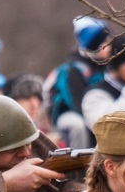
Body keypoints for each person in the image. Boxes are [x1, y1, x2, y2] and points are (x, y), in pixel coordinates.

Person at [47, 16, 113, 149]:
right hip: (69, 113)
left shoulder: (108, 65)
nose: (111, 47)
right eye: (106, 43)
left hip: (96, 110)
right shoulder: (74, 69)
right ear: (94, 46)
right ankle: (80, 162)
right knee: (78, 125)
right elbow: (75, 103)